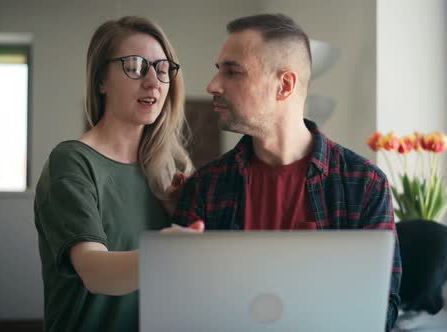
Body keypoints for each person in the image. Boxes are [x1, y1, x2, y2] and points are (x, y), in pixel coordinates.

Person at [171, 13, 402, 331]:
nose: (213, 86)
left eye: (233, 72)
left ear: (285, 85)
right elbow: (180, 306)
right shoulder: (204, 188)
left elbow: (383, 311)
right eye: (218, 71)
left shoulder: (364, 185)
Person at [33, 16, 202, 332]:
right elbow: (95, 272)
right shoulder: (71, 162)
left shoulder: (167, 175)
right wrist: (163, 252)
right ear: (101, 81)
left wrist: (176, 213)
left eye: (162, 69)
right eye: (136, 66)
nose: (153, 81)